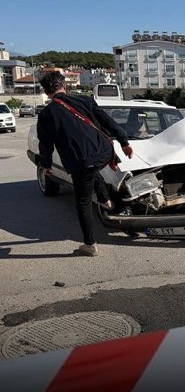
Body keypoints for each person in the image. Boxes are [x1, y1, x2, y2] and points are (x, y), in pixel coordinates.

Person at [37, 71, 134, 256]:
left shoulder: (46, 114)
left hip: (81, 161)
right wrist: (124, 142)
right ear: (63, 85)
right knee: (93, 170)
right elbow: (108, 121)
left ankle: (90, 245)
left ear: (46, 91)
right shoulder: (84, 100)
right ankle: (105, 199)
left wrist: (46, 165)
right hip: (104, 152)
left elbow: (46, 144)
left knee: (82, 203)